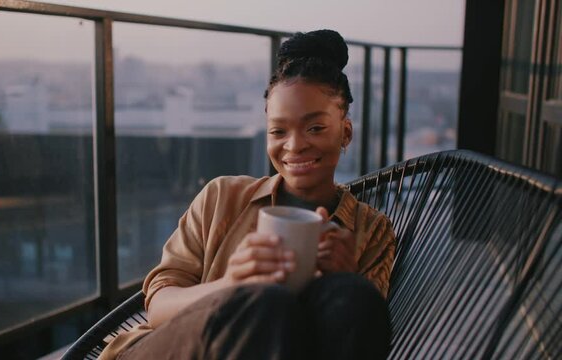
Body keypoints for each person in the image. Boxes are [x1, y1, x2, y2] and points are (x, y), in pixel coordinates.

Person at [100, 29, 396, 360]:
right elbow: (158, 306)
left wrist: (344, 277)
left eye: (315, 128)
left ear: (346, 132)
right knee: (265, 302)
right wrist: (230, 286)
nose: (294, 146)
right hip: (177, 348)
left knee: (354, 298)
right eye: (278, 131)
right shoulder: (222, 196)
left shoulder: (371, 232)